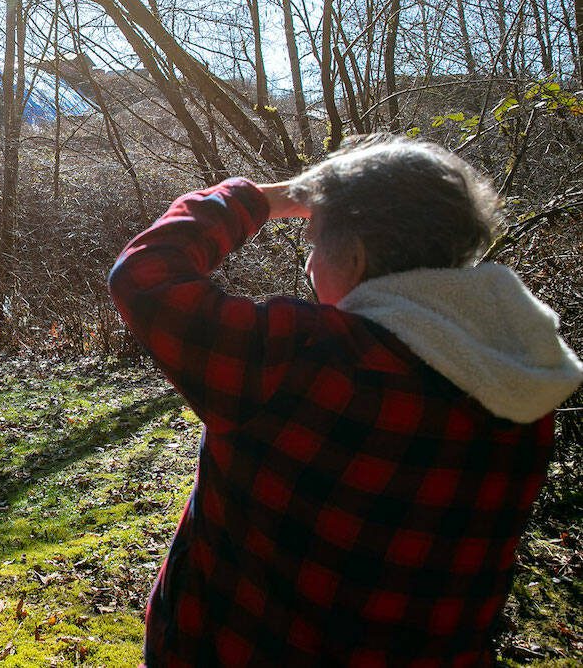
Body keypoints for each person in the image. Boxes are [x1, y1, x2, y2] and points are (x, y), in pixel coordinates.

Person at [108, 134, 583, 666]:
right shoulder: (523, 383)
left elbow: (145, 273)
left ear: (354, 255)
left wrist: (266, 199)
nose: (309, 265)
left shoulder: (306, 357)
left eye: (313, 241)